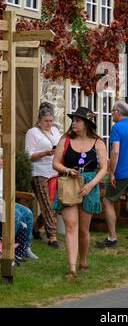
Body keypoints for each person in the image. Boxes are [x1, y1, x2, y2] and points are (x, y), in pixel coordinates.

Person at [53, 106, 107, 277]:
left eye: (77, 120)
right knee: (70, 226)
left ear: (87, 123)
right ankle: (72, 267)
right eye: (73, 120)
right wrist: (68, 170)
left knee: (83, 229)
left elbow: (104, 168)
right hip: (70, 184)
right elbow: (55, 163)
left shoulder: (98, 142)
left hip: (88, 186)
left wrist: (91, 185)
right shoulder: (65, 139)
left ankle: (83, 260)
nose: (73, 123)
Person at [95, 101, 128, 250]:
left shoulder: (116, 127)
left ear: (117, 112)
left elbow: (115, 151)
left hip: (123, 171)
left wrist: (111, 172)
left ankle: (112, 237)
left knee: (108, 200)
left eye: (112, 111)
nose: (111, 114)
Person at [25, 102, 61, 248]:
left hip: (55, 171)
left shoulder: (56, 131)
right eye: (46, 121)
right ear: (39, 120)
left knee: (56, 204)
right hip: (39, 172)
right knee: (46, 204)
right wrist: (44, 153)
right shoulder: (32, 132)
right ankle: (52, 236)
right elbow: (28, 154)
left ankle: (36, 227)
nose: (49, 123)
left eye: (51, 121)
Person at [0, 148, 38, 261]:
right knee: (15, 214)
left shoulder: (5, 172)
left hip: (5, 201)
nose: (1, 161)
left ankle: (25, 248)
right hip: (1, 203)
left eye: (2, 158)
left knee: (27, 212)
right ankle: (7, 248)